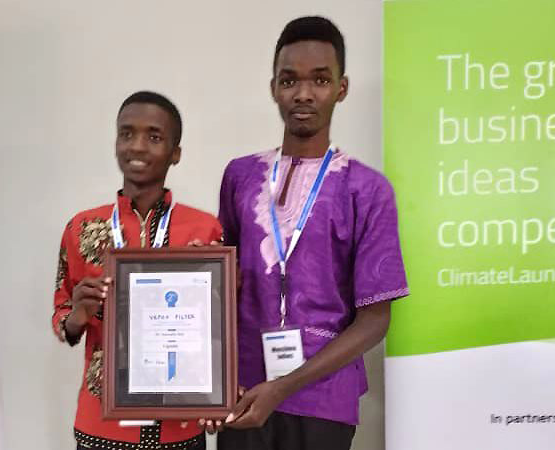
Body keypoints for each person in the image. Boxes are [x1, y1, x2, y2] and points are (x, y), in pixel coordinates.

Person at [214, 16, 409, 450]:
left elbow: (376, 319)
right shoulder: (240, 176)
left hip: (325, 399)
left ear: (341, 87)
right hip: (242, 389)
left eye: (320, 79)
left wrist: (284, 387)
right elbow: (222, 281)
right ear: (273, 88)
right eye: (289, 80)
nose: (303, 93)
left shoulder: (368, 189)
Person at [52, 91, 221, 450]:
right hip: (102, 425)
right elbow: (63, 314)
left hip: (180, 425)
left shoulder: (205, 231)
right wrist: (77, 317)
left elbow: (219, 328)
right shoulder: (81, 228)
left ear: (176, 153)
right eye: (126, 133)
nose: (137, 147)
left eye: (154, 137)